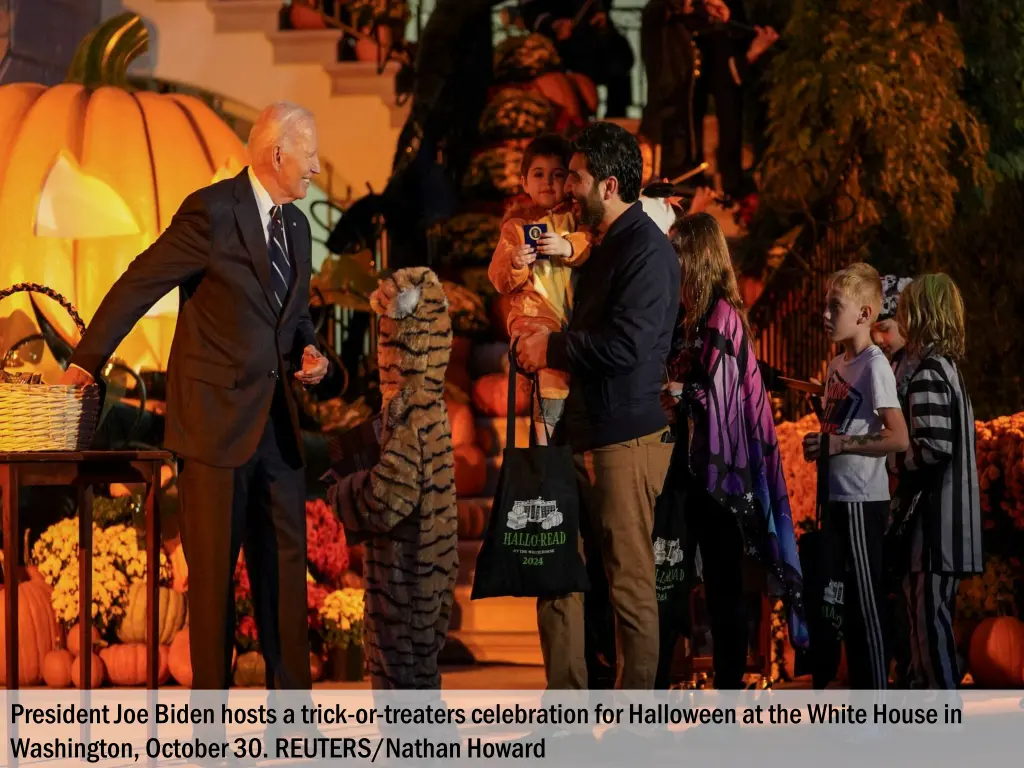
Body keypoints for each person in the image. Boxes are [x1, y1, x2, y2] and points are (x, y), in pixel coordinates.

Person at [60, 102, 330, 693]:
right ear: (277, 153)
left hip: (277, 430)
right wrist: (86, 361)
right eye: (308, 152)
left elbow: (297, 318)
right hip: (213, 429)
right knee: (211, 588)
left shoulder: (298, 225)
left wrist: (311, 355)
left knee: (284, 578)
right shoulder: (211, 212)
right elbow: (140, 280)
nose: (315, 165)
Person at [516, 121, 680, 689]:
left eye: (578, 179)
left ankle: (636, 720)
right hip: (579, 432)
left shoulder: (646, 252)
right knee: (557, 573)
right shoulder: (604, 247)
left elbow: (630, 345)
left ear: (608, 186)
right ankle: (566, 711)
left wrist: (553, 346)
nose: (567, 189)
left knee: (628, 583)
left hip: (623, 440)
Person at [661, 213, 807, 689]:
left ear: (696, 257)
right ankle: (664, 683)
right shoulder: (685, 315)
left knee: (724, 584)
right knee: (674, 576)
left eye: (675, 250)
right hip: (686, 465)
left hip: (721, 475)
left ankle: (727, 693)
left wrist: (677, 392)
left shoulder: (722, 315)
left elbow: (719, 395)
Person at [802, 262, 909, 689]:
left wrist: (843, 445)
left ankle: (877, 707)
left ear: (864, 314)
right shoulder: (835, 367)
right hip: (836, 499)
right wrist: (822, 441)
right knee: (842, 605)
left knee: (866, 607)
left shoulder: (874, 365)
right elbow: (840, 429)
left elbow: (898, 437)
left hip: (864, 502)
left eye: (835, 306)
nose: (826, 315)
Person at [890, 275, 982, 689]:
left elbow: (932, 448)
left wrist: (891, 460)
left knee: (928, 632)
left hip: (932, 530)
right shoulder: (949, 369)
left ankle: (941, 726)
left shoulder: (927, 373)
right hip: (953, 527)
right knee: (931, 625)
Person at [488, 134, 592, 445]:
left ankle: (555, 440)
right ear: (524, 182)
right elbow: (499, 277)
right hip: (534, 321)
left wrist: (566, 245)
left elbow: (589, 244)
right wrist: (517, 262)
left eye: (557, 175)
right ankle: (544, 440)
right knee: (550, 369)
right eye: (538, 174)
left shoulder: (575, 220)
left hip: (571, 319)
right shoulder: (516, 227)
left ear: (569, 181)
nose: (547, 182)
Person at [516, 0, 636, 118]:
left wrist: (600, 12)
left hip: (593, 42)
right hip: (556, 47)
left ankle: (614, 121)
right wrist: (553, 24)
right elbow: (530, 10)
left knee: (619, 63)